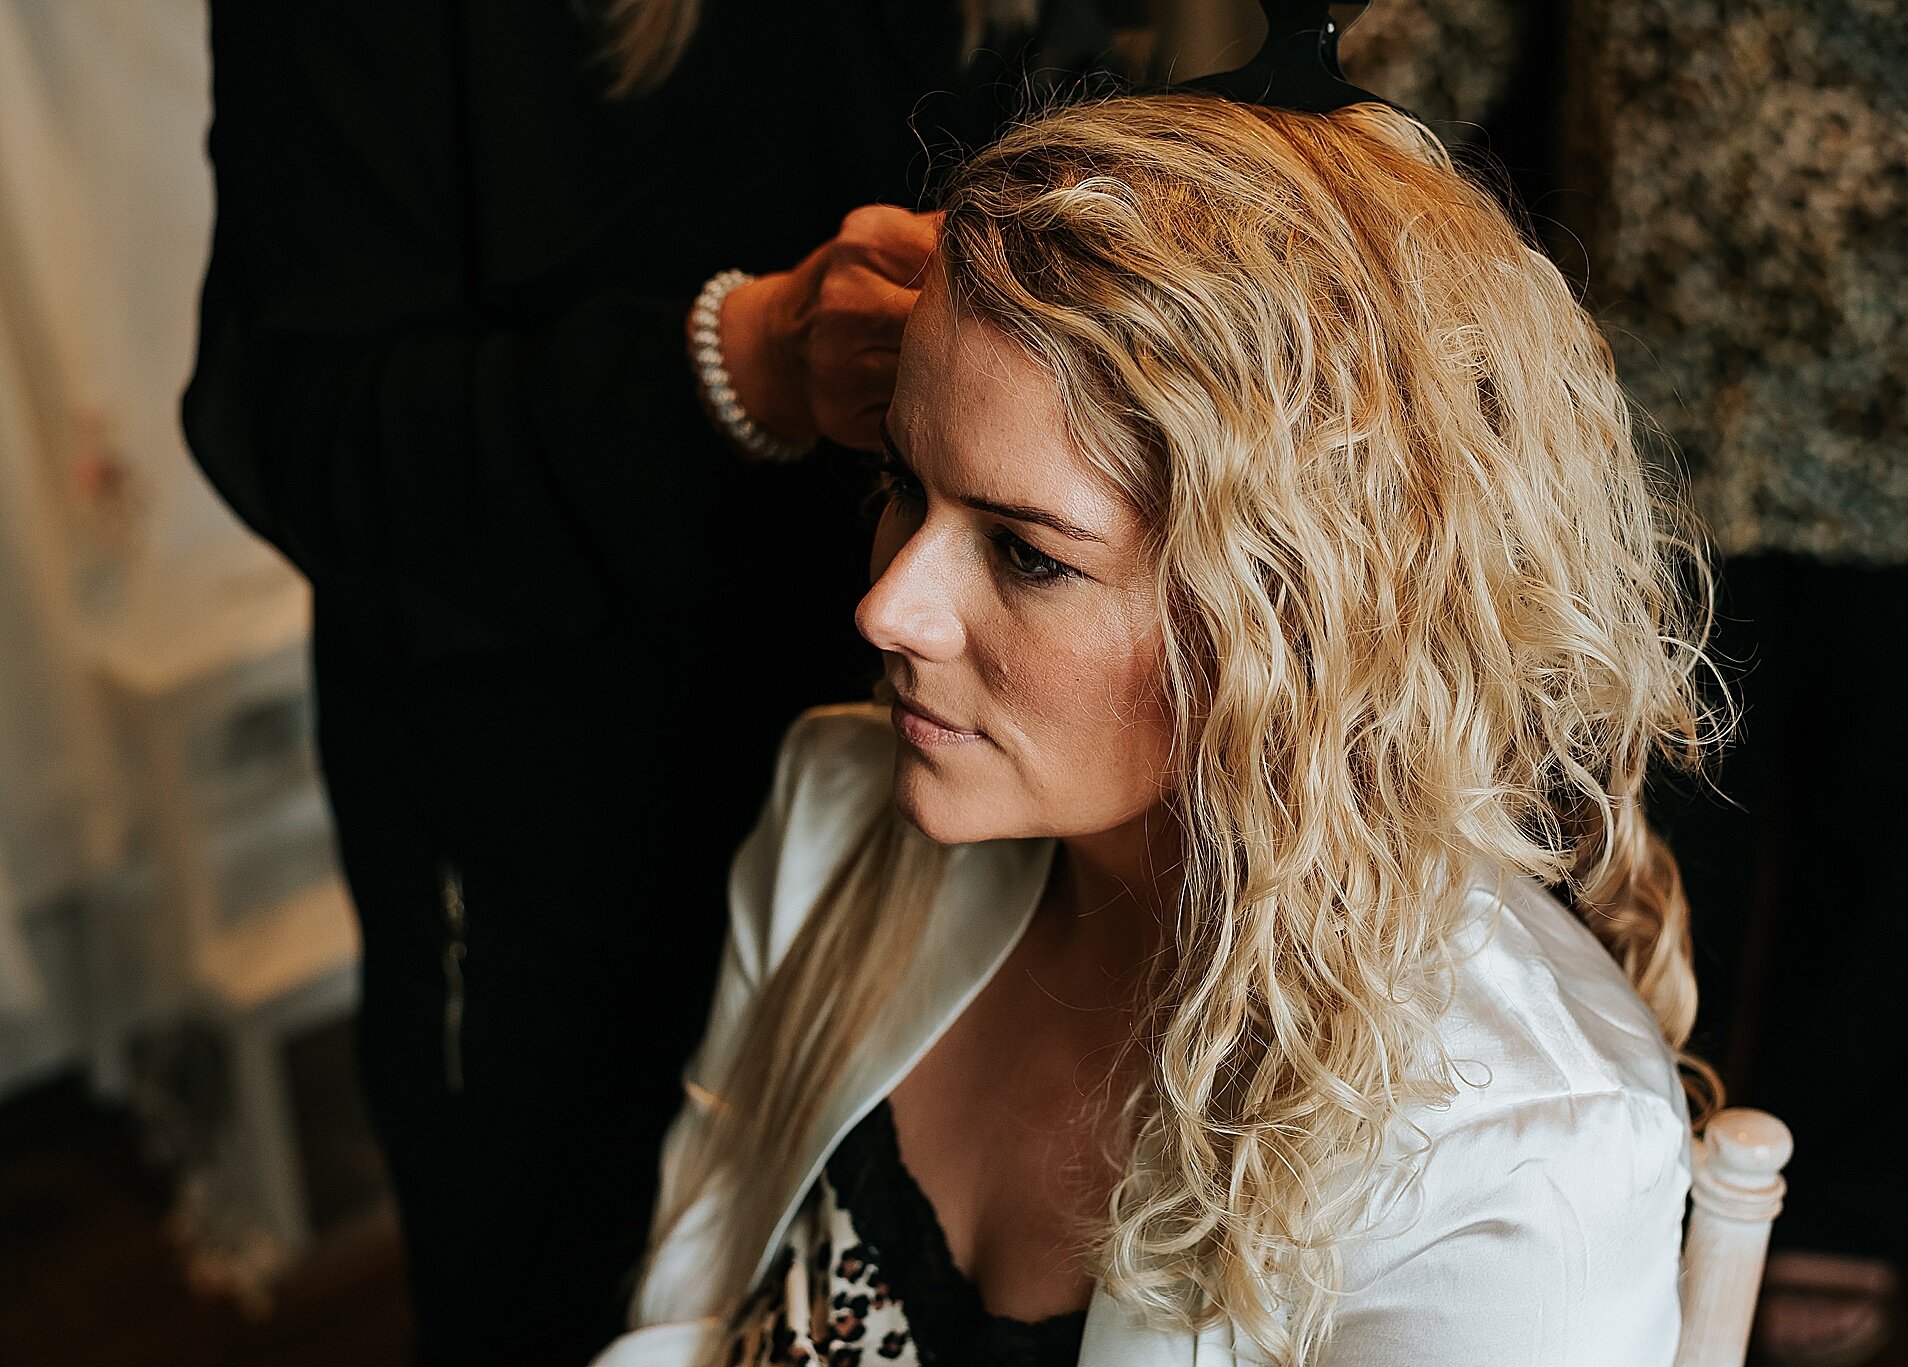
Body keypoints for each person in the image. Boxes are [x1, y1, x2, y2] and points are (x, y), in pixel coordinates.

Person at [596, 91, 1716, 1367]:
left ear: (1296, 616)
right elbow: (681, 1311)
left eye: (1024, 553)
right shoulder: (838, 818)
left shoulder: (1518, 1164)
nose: (886, 603)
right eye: (903, 487)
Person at [181, 3, 1131, 1360]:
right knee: (553, 1269)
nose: (895, 603)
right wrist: (744, 357)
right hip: (534, 808)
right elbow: (304, 433)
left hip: (904, 774)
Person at [1567, 2, 1908, 1359]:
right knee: (1639, 792)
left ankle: (1845, 1178)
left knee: (1905, 799)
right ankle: (1614, 1148)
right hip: (1652, 314)